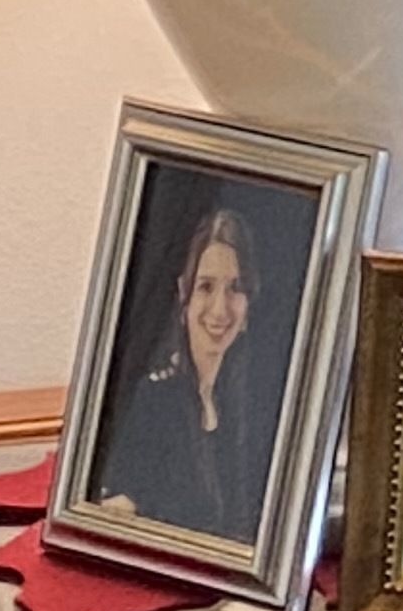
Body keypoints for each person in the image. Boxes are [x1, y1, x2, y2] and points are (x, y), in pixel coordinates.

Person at [89, 201, 273, 548]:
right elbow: (120, 508)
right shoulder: (152, 400)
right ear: (183, 295)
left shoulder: (250, 408)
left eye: (235, 288)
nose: (220, 308)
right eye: (205, 286)